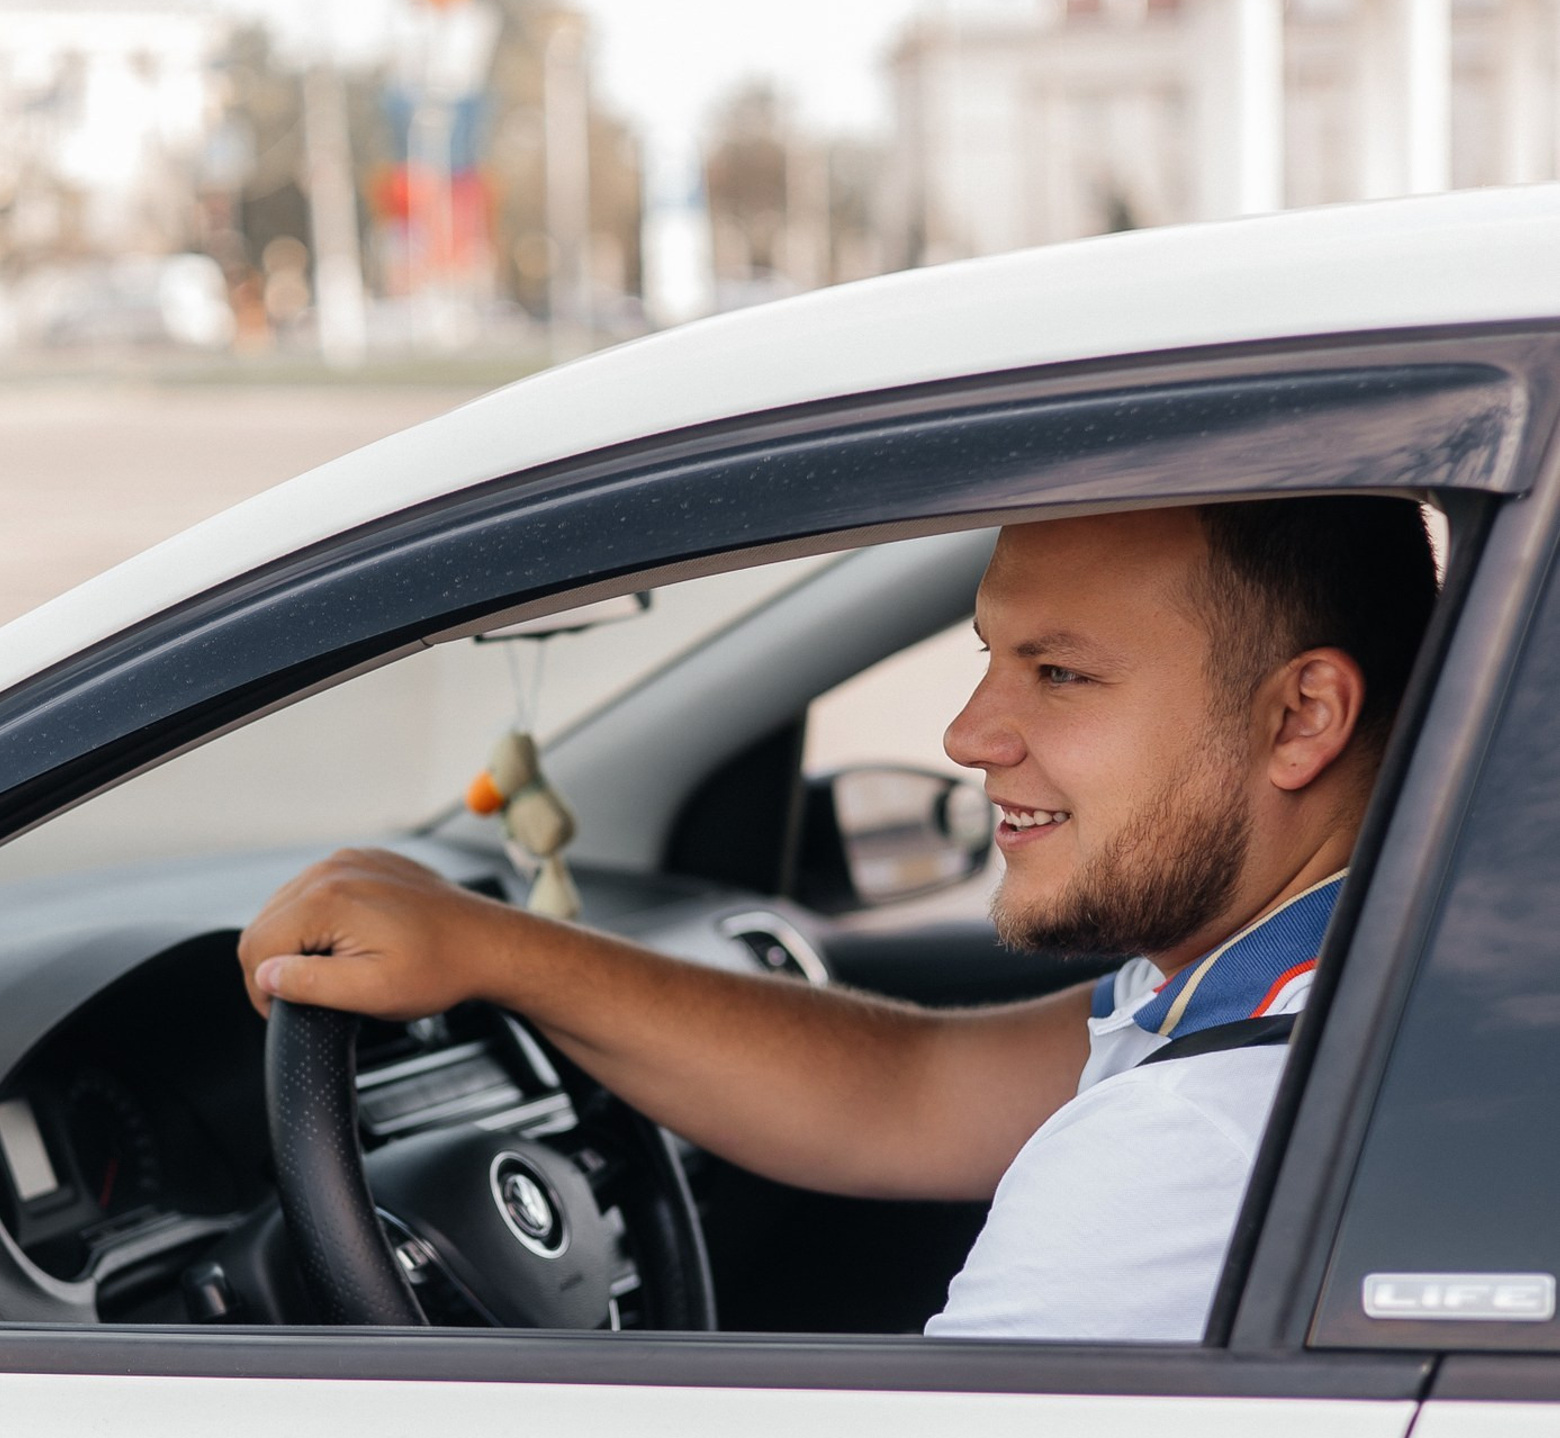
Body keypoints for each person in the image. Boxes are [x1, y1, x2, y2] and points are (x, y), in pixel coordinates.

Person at [237, 499, 1440, 1340]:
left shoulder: (1189, 1149)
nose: (969, 735)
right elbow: (915, 1090)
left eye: (1059, 673)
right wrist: (496, 947)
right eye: (990, 657)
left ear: (1301, 719)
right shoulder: (1356, 969)